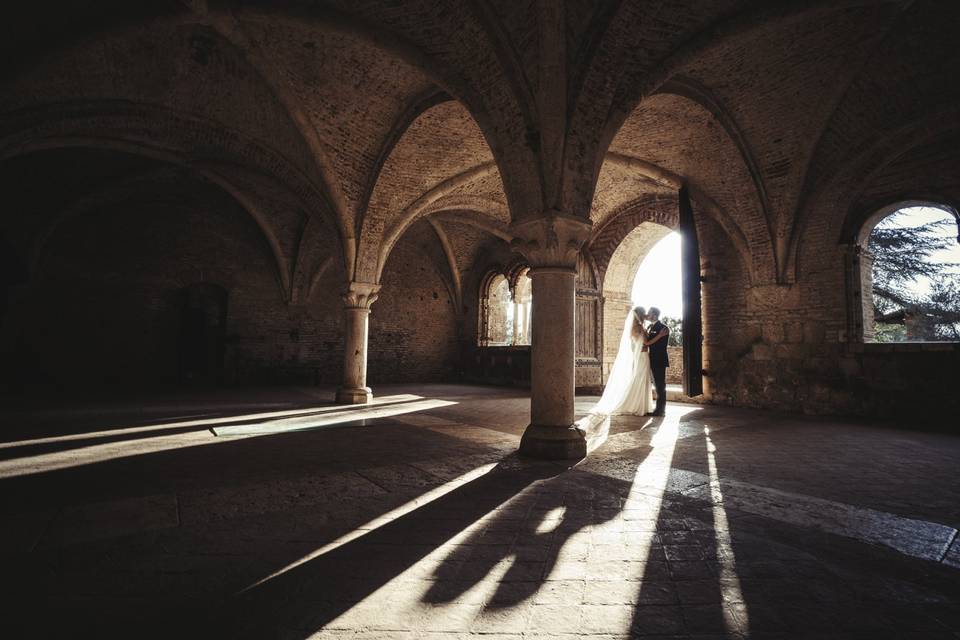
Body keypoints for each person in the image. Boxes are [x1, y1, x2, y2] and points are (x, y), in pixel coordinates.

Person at [592, 306, 654, 416]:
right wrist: (659, 335)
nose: (646, 314)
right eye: (644, 313)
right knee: (642, 379)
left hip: (638, 356)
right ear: (640, 315)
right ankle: (638, 405)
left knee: (639, 378)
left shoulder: (634, 327)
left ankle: (636, 404)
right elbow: (646, 343)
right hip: (643, 355)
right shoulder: (639, 327)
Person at [644, 307, 670, 416]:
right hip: (652, 359)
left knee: (660, 385)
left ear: (654, 315)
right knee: (656, 384)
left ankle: (660, 410)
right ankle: (658, 409)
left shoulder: (663, 328)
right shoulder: (650, 327)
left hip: (659, 360)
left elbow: (651, 342)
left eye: (649, 313)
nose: (647, 314)